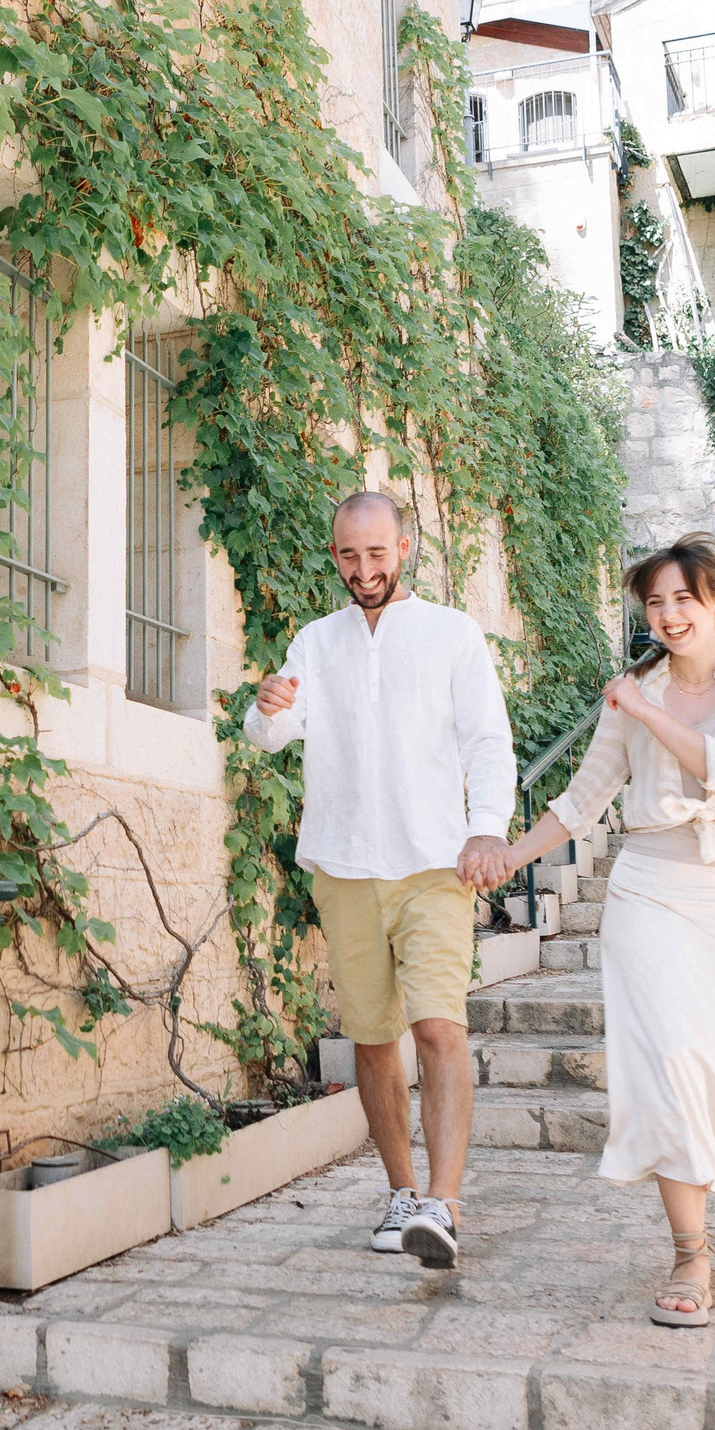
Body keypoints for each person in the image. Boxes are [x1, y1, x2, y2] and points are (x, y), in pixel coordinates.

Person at [494, 533, 715, 1327]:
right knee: (669, 1061)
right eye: (654, 603)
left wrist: (644, 708)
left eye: (681, 599)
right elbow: (582, 797)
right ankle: (691, 1251)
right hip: (651, 892)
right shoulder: (636, 691)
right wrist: (509, 855)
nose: (666, 615)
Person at [244, 490, 514, 1270]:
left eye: (375, 552)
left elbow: (487, 740)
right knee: (371, 1038)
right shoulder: (316, 641)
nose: (362, 569)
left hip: (434, 860)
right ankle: (402, 1193)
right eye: (347, 555)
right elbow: (272, 733)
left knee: (438, 1027)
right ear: (336, 555)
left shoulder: (451, 634)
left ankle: (446, 1201)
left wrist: (488, 824)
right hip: (345, 864)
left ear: (404, 547)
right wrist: (267, 708)